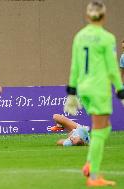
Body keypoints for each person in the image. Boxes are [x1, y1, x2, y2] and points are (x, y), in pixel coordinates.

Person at [64, 1, 124, 187]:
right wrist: (121, 90)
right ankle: (93, 176)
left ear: (88, 16)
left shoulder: (80, 36)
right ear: (104, 16)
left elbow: (75, 65)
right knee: (100, 130)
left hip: (83, 87)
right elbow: (113, 68)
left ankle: (90, 164)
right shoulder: (107, 38)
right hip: (99, 88)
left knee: (103, 127)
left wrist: (72, 92)